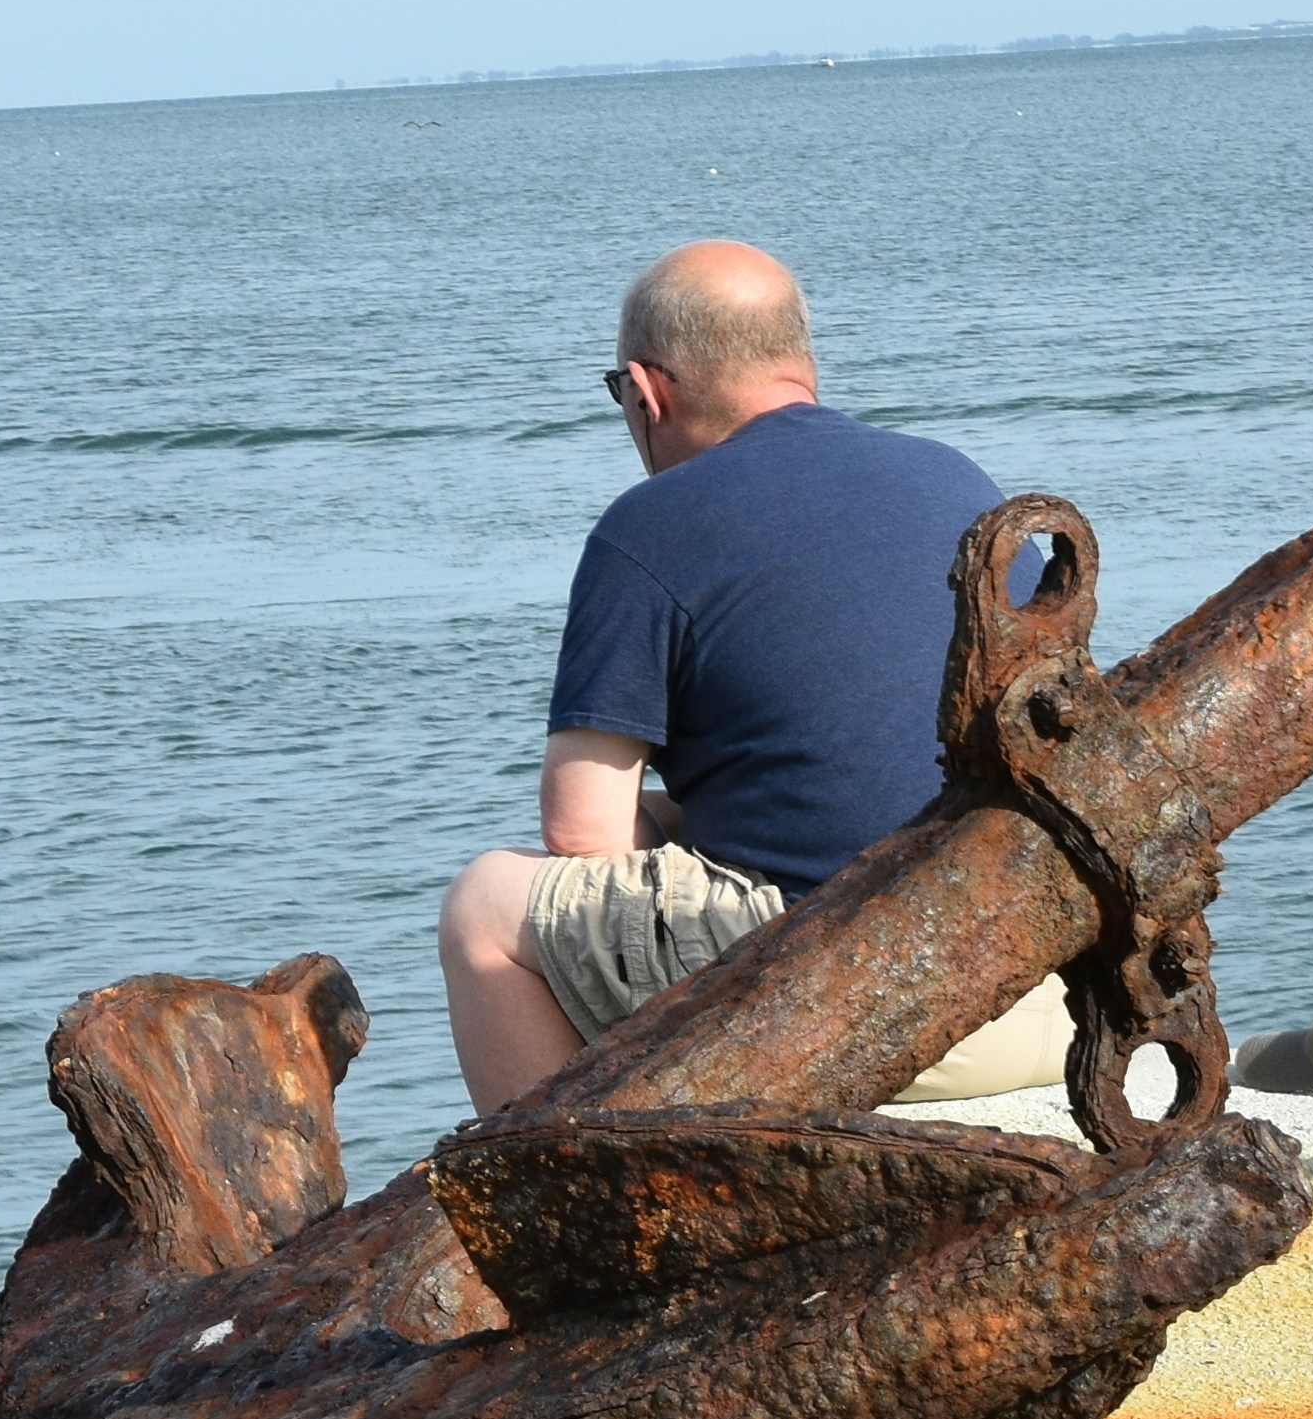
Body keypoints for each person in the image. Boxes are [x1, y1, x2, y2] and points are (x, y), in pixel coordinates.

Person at [435, 239, 1026, 1110]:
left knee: (485, 905)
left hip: (862, 1008)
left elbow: (581, 833)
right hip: (1026, 979)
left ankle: (559, 1211)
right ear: (800, 364)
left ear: (646, 391)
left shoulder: (649, 528)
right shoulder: (958, 478)